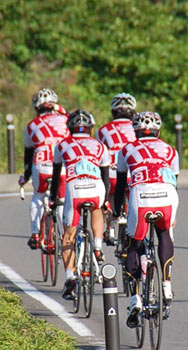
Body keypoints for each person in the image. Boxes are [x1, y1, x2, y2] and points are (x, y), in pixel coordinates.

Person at [113, 111, 179, 327]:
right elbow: (174, 181)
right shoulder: (171, 150)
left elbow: (121, 185)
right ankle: (167, 286)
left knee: (134, 246)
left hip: (141, 197)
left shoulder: (126, 149)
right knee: (164, 234)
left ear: (135, 130)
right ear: (159, 130)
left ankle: (135, 300)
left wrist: (116, 211)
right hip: (168, 196)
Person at [49, 109, 111, 300]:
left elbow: (56, 176)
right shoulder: (100, 146)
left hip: (74, 188)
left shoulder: (62, 145)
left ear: (69, 128)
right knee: (97, 209)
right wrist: (106, 200)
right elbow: (106, 180)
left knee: (68, 236)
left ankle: (70, 276)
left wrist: (53, 200)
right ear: (91, 129)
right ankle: (98, 246)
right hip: (96, 186)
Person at [19, 88, 69, 250]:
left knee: (38, 196)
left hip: (41, 165)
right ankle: (63, 235)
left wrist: (26, 176)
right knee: (61, 200)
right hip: (61, 165)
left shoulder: (31, 125)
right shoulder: (66, 120)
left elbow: (28, 153)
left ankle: (34, 233)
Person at [96, 93, 137, 244]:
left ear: (113, 112)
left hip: (113, 174)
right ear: (133, 113)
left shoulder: (102, 130)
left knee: (108, 193)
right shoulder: (137, 127)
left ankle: (108, 227)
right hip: (134, 175)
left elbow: (98, 155)